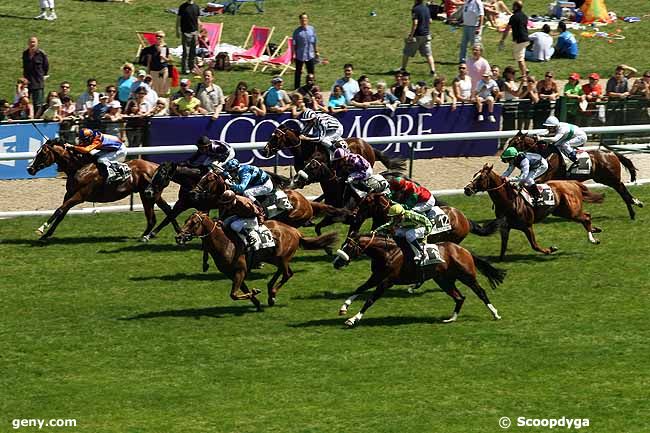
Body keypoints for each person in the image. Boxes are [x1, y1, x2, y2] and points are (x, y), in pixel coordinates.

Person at [401, 0, 436, 75]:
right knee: (428, 54)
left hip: (417, 35)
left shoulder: (415, 9)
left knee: (406, 52)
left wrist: (411, 36)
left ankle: (403, 69)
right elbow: (430, 21)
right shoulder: (426, 8)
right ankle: (432, 71)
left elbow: (415, 23)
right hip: (426, 35)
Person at [498, 1, 529, 79]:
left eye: (513, 6)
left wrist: (502, 40)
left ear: (516, 7)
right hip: (526, 39)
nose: (512, 8)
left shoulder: (514, 17)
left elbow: (507, 29)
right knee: (520, 56)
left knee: (519, 59)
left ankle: (524, 75)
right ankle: (525, 70)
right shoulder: (525, 16)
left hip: (519, 40)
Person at [292, 13, 319, 90]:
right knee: (298, 72)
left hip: (310, 54)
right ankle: (297, 88)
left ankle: (312, 88)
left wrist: (316, 51)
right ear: (300, 20)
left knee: (311, 72)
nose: (304, 20)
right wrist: (294, 54)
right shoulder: (297, 32)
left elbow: (314, 41)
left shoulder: (311, 29)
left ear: (307, 19)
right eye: (302, 19)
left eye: (305, 18)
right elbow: (294, 44)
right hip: (300, 55)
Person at [22, 36, 49, 111]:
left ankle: (37, 118)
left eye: (34, 42)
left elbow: (46, 66)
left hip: (37, 82)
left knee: (38, 104)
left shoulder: (41, 54)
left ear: (37, 43)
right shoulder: (25, 53)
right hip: (27, 82)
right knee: (24, 101)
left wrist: (42, 76)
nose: (32, 44)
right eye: (31, 42)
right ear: (28, 43)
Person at [176, 0, 201, 74]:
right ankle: (184, 69)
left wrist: (198, 31)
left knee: (193, 52)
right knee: (186, 52)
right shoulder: (182, 7)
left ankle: (192, 68)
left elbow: (198, 19)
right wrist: (177, 30)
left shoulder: (196, 7)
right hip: (185, 32)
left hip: (194, 32)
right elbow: (178, 19)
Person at [145, 31, 171, 96]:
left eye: (160, 36)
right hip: (154, 69)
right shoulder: (151, 48)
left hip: (163, 69)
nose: (158, 37)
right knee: (154, 87)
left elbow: (170, 60)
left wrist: (164, 58)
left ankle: (161, 99)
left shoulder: (165, 47)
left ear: (163, 38)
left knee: (162, 85)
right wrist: (148, 70)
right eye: (157, 36)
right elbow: (149, 60)